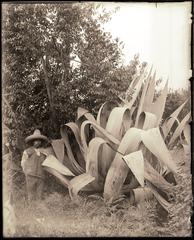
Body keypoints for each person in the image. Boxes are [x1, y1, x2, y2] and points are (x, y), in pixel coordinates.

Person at [21, 129, 50, 202]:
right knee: (31, 195)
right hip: (31, 176)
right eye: (36, 140)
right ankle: (31, 209)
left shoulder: (44, 152)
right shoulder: (27, 151)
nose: (38, 142)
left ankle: (38, 209)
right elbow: (23, 162)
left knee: (39, 195)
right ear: (33, 142)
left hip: (41, 176)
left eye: (39, 140)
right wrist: (26, 172)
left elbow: (48, 163)